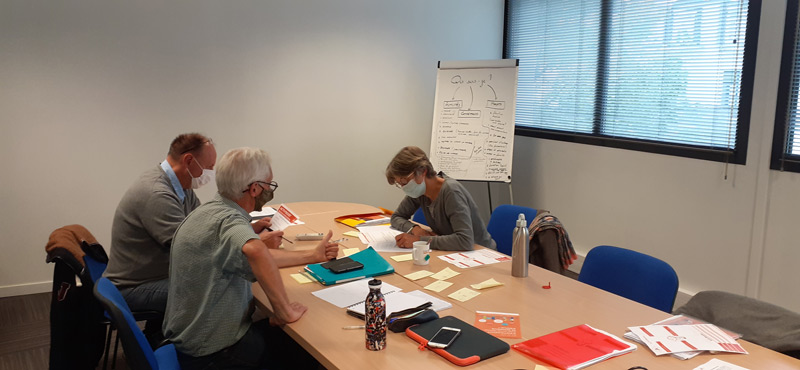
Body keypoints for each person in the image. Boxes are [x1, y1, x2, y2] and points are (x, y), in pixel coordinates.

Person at [163, 147, 338, 370]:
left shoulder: (208, 212)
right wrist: (284, 311)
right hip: (214, 352)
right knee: (311, 354)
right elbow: (256, 251)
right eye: (269, 185)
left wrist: (311, 256)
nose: (269, 190)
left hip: (189, 336)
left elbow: (258, 257)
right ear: (254, 189)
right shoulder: (230, 222)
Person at [104, 133, 216, 316]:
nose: (211, 173)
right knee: (214, 292)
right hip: (133, 287)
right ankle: (179, 341)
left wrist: (245, 230)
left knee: (215, 281)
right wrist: (243, 244)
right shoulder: (156, 193)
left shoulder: (181, 185)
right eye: (209, 167)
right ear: (189, 160)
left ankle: (162, 334)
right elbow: (192, 247)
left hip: (153, 276)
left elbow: (203, 222)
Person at [386, 146, 495, 251]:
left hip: (481, 254)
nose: (404, 187)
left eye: (404, 181)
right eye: (399, 183)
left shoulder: (451, 191)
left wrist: (419, 240)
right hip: (453, 251)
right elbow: (396, 217)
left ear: (422, 171)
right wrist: (415, 229)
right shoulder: (420, 191)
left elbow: (465, 240)